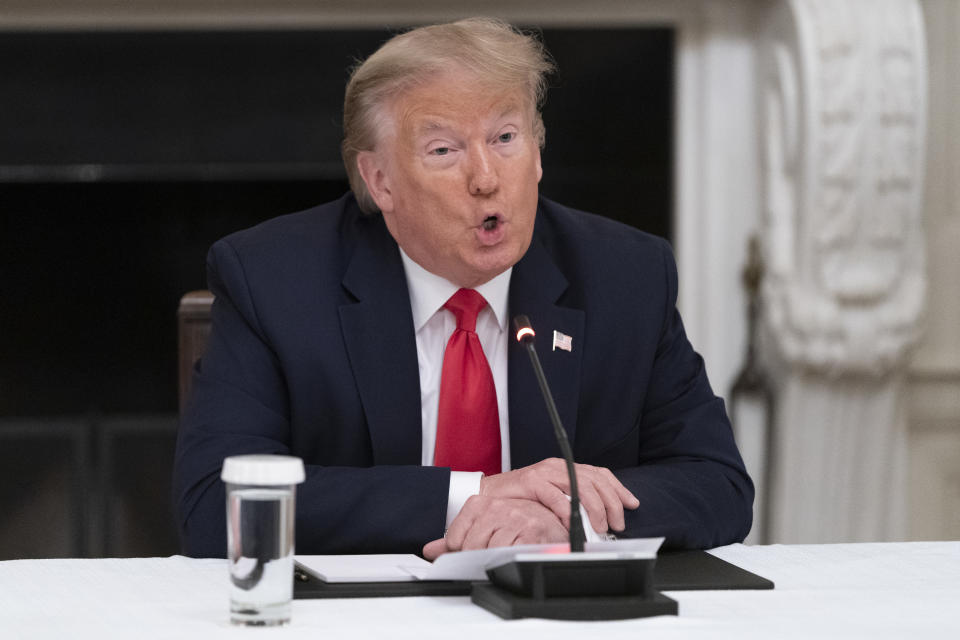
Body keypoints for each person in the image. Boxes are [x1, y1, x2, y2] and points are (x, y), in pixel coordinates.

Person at [173, 17, 753, 559]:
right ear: (380, 182)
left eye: (505, 138)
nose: (486, 179)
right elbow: (216, 502)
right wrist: (473, 497)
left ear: (538, 153)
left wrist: (568, 517)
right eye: (445, 150)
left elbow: (718, 483)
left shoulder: (624, 275)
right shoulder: (273, 280)